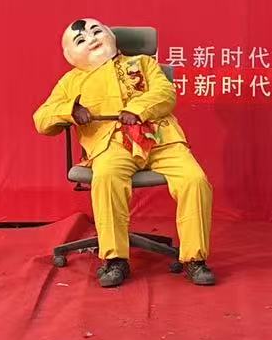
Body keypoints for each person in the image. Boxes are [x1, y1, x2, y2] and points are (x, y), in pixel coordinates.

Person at [33, 19, 216, 288]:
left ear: (111, 36)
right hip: (112, 145)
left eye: (96, 32)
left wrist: (137, 109)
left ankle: (195, 259)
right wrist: (70, 111)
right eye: (81, 40)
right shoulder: (71, 81)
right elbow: (41, 119)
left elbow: (165, 93)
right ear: (70, 56)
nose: (91, 39)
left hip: (161, 139)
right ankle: (115, 259)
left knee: (195, 180)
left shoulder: (144, 63)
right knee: (106, 178)